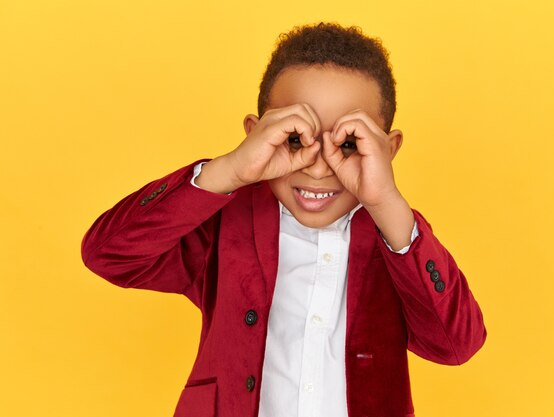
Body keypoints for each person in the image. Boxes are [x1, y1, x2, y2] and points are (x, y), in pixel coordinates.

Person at [82, 22, 486, 417]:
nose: (318, 168)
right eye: (295, 138)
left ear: (388, 148)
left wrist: (387, 203)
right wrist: (232, 169)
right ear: (256, 134)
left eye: (348, 144)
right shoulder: (226, 226)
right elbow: (108, 254)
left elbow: (456, 344)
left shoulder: (396, 236)